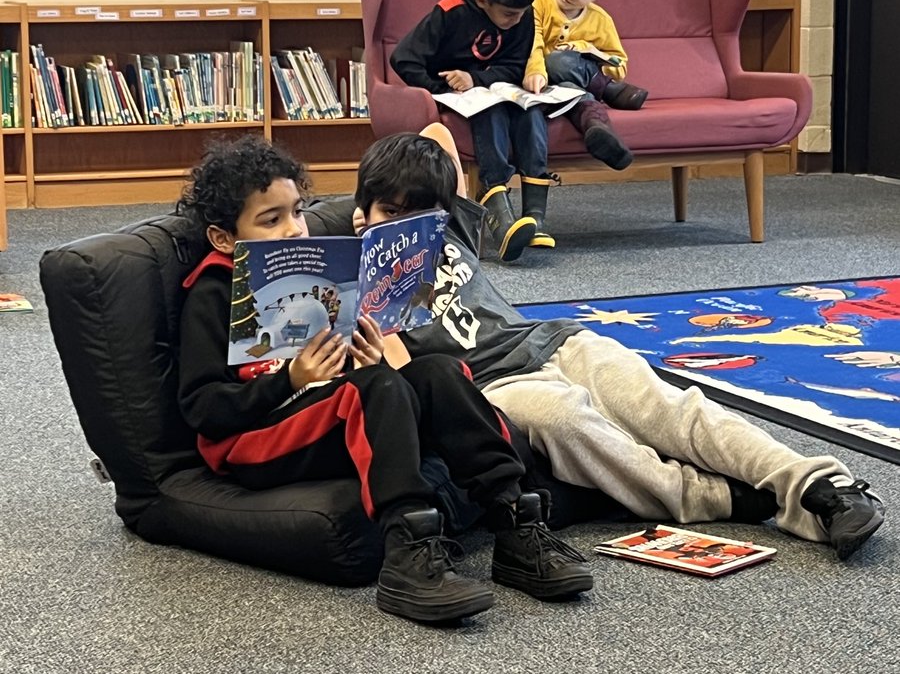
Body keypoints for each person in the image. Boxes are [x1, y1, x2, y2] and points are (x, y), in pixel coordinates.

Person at [306, 127, 885, 562]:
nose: (404, 224)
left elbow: (435, 138)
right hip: (488, 386)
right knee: (571, 423)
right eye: (389, 212)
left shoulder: (448, 224)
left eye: (419, 215)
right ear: (364, 211)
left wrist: (415, 199)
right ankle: (728, 499)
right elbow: (405, 379)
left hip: (547, 340)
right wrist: (348, 233)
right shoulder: (348, 277)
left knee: (667, 407)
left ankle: (818, 484)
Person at [175, 135, 592, 627]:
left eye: (298, 211)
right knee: (374, 387)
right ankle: (409, 555)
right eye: (272, 220)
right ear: (225, 238)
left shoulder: (325, 272)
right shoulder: (213, 293)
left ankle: (515, 522)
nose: (295, 229)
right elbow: (203, 410)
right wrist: (290, 379)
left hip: (328, 412)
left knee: (436, 371)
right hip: (253, 440)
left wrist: (366, 358)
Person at [389, 0, 555, 258]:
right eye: (509, 15)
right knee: (488, 111)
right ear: (483, 2)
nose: (518, 20)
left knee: (532, 111)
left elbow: (517, 65)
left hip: (494, 88)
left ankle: (535, 217)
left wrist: (475, 78)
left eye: (522, 13)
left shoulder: (523, 12)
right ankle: (498, 215)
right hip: (459, 97)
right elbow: (403, 58)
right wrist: (442, 87)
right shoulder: (450, 11)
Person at [525, 0, 648, 177]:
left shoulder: (601, 20)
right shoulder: (537, 4)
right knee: (559, 70)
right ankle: (604, 107)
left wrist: (586, 49)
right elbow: (534, 44)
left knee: (563, 67)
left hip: (573, 76)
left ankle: (601, 110)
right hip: (545, 81)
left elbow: (619, 64)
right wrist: (535, 73)